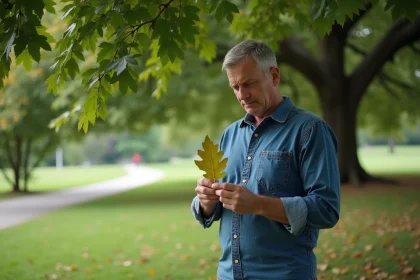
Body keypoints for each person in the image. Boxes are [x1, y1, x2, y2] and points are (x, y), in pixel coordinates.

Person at [191, 40, 340, 280]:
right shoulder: (230, 134)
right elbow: (217, 206)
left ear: (274, 75)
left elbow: (326, 209)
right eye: (235, 87)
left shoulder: (311, 130)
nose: (243, 95)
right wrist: (206, 201)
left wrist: (258, 204)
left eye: (249, 83)